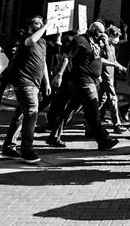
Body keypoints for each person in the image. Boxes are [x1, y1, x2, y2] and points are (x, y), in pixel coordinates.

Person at [43, 21, 118, 151]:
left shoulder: (95, 43)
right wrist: (59, 74)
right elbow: (67, 57)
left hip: (89, 81)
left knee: (71, 109)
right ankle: (103, 140)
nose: (101, 36)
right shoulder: (80, 40)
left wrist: (105, 44)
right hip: (83, 81)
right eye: (100, 33)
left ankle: (54, 136)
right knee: (93, 111)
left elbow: (104, 58)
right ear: (94, 31)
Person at [0, 15, 51, 164]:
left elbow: (43, 63)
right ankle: (27, 150)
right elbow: (31, 41)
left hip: (35, 83)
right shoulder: (27, 38)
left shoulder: (42, 41)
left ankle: (9, 147)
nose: (41, 24)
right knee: (31, 112)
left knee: (21, 115)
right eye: (37, 23)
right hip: (24, 81)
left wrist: (46, 82)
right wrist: (47, 26)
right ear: (30, 27)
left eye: (41, 23)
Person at [98, 24, 128, 133]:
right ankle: (117, 124)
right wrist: (115, 65)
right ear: (110, 35)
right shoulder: (103, 46)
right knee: (113, 99)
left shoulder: (113, 47)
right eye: (116, 36)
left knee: (101, 100)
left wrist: (122, 68)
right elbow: (102, 59)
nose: (117, 39)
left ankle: (90, 118)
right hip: (105, 76)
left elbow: (113, 60)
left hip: (110, 76)